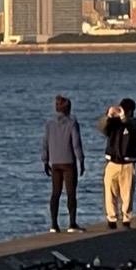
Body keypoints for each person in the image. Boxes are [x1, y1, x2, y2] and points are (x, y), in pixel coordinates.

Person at [98, 98, 136, 230]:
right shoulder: (113, 124)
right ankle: (111, 219)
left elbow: (134, 127)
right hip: (112, 163)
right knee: (109, 193)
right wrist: (108, 116)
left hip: (128, 164)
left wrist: (124, 117)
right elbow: (101, 128)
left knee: (127, 193)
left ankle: (126, 219)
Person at [42, 95, 85, 233]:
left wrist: (45, 160)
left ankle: (54, 224)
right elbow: (76, 143)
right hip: (68, 162)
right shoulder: (72, 123)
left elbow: (45, 143)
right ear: (68, 109)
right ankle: (72, 223)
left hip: (55, 162)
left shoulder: (49, 123)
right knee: (71, 193)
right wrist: (81, 160)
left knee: (55, 193)